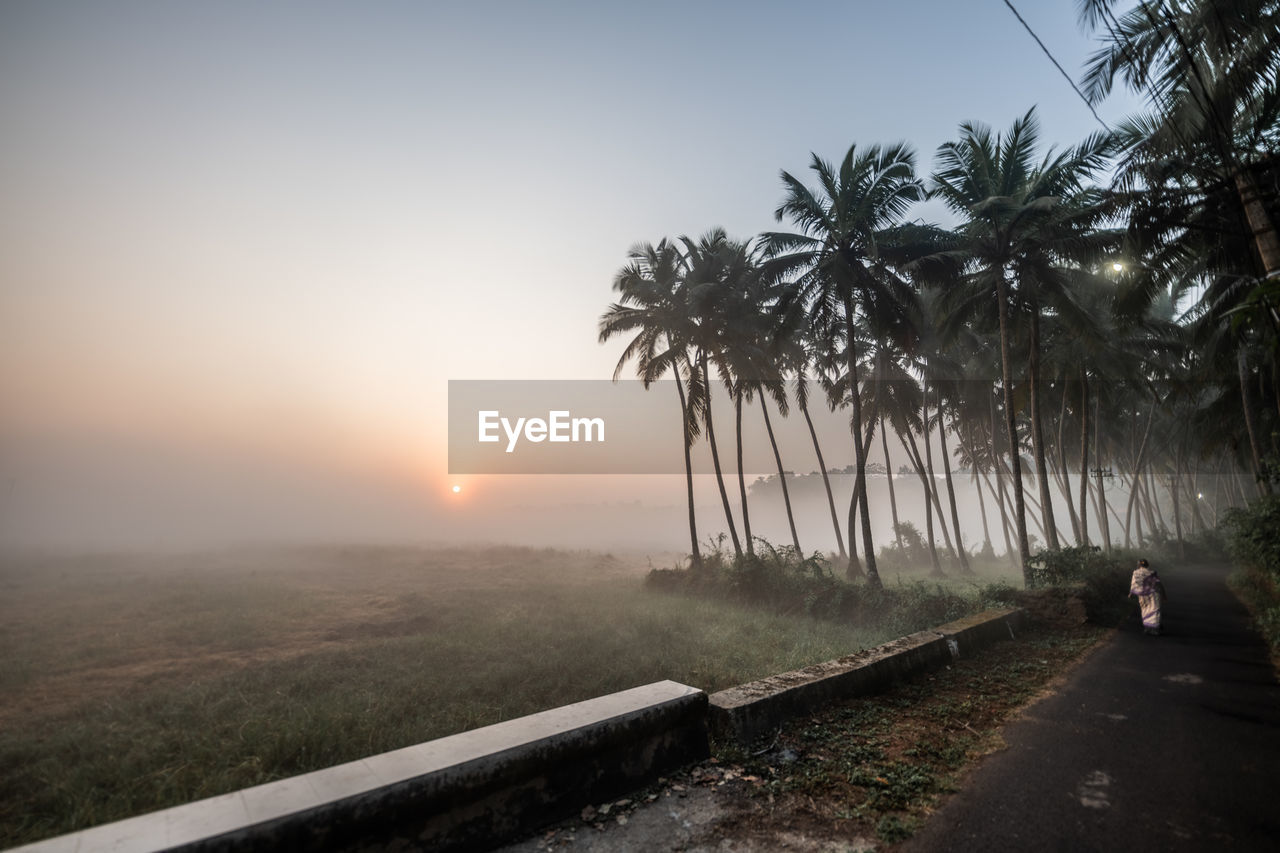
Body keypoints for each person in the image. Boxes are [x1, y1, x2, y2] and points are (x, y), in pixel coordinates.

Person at [1129, 558, 1167, 635]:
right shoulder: (1151, 573)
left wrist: (1130, 593)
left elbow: (1134, 584)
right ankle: (1154, 629)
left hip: (1142, 596)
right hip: (1153, 595)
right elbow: (1158, 584)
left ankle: (1147, 628)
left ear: (1138, 565)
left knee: (1145, 610)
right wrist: (1164, 594)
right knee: (1154, 610)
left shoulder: (1136, 573)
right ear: (1147, 565)